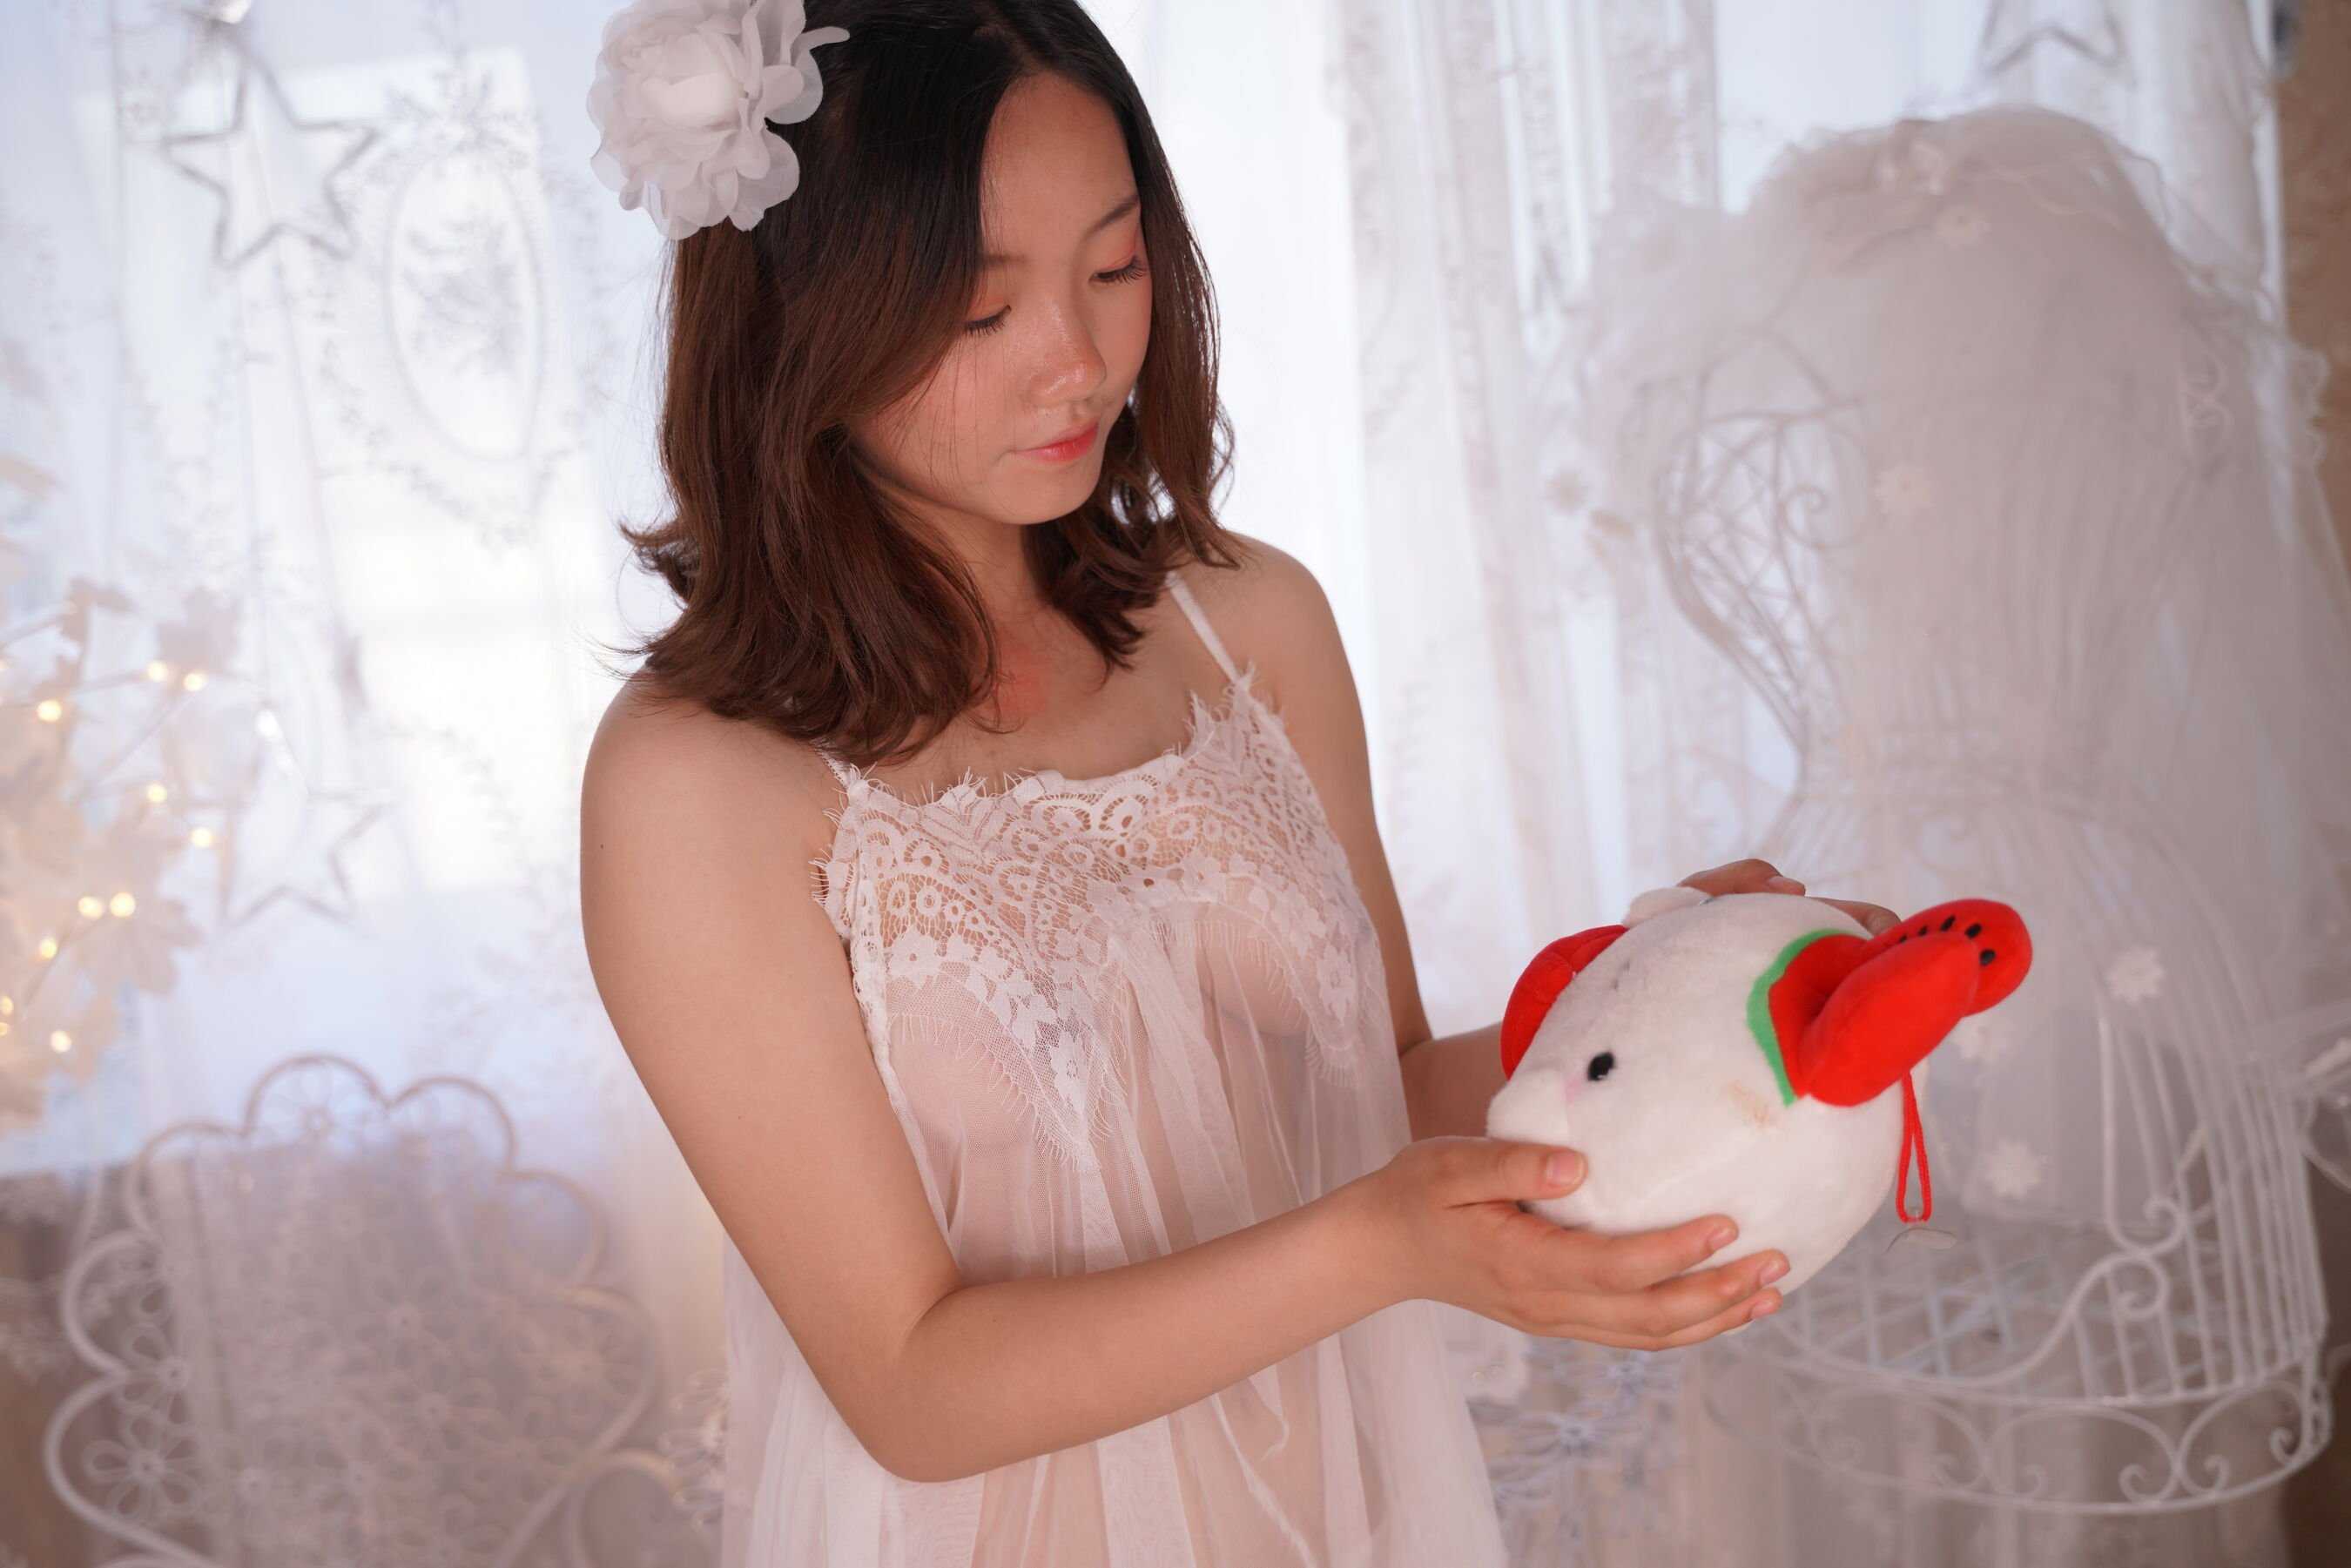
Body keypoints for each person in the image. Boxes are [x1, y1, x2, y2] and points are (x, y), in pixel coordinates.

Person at [575, 3, 1899, 1564]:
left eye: (1114, 267)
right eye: (981, 308)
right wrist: (1381, 1246)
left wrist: (1670, 987)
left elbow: (1384, 1086)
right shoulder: (697, 781)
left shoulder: (1246, 620)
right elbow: (911, 1383)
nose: (1080, 361)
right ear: (806, 321)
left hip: (1348, 1513)